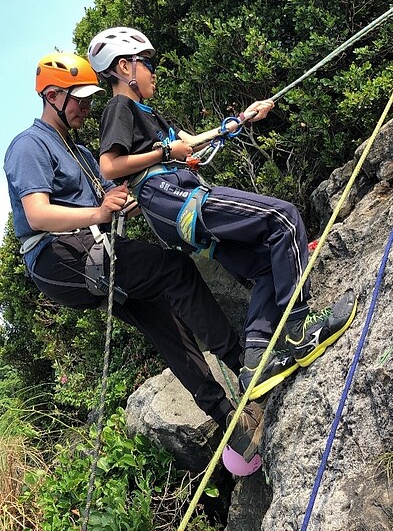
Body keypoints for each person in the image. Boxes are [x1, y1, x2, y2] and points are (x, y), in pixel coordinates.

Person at [4, 52, 270, 463]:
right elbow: (38, 213)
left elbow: (134, 175)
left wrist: (230, 125)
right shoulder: (30, 145)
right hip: (56, 256)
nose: (88, 108)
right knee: (176, 271)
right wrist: (99, 212)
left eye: (91, 99)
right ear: (53, 95)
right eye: (79, 99)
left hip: (87, 249)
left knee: (162, 316)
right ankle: (244, 362)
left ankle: (233, 425)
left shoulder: (83, 156)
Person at [87, 27, 358, 400]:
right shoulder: (122, 107)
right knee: (282, 219)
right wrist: (166, 154)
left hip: (174, 204)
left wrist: (244, 118)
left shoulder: (149, 114)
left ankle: (256, 361)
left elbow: (191, 142)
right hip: (171, 196)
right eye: (146, 64)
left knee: (263, 264)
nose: (153, 72)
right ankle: (299, 329)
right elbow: (110, 165)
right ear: (124, 67)